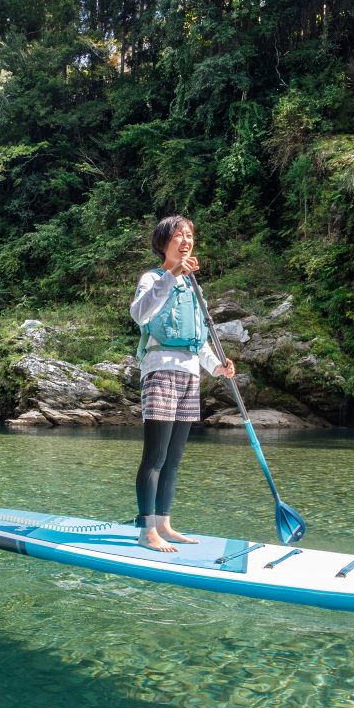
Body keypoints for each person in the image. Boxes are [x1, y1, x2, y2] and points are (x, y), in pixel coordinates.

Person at [130, 215, 235, 552]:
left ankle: (164, 523)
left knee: (174, 458)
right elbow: (140, 314)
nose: (186, 240)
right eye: (179, 235)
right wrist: (172, 274)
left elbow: (198, 339)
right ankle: (147, 529)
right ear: (164, 243)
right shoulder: (153, 278)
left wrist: (218, 367)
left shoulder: (193, 286)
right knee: (155, 456)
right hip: (160, 371)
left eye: (190, 235)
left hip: (190, 374)